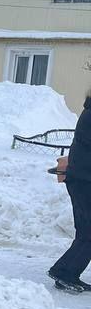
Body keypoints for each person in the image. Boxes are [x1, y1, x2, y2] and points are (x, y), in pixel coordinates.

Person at [48, 92, 91, 294]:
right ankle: (64, 272)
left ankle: (66, 273)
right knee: (88, 232)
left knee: (86, 231)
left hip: (81, 179)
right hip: (84, 181)